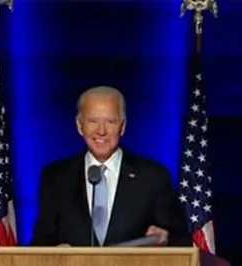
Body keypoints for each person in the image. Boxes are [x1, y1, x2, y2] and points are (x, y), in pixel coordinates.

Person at [31, 86, 189, 247]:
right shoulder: (56, 177)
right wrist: (54, 253)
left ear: (123, 126)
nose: (101, 131)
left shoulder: (153, 177)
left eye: (110, 122)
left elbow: (182, 241)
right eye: (93, 121)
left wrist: (166, 238)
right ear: (79, 126)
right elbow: (40, 244)